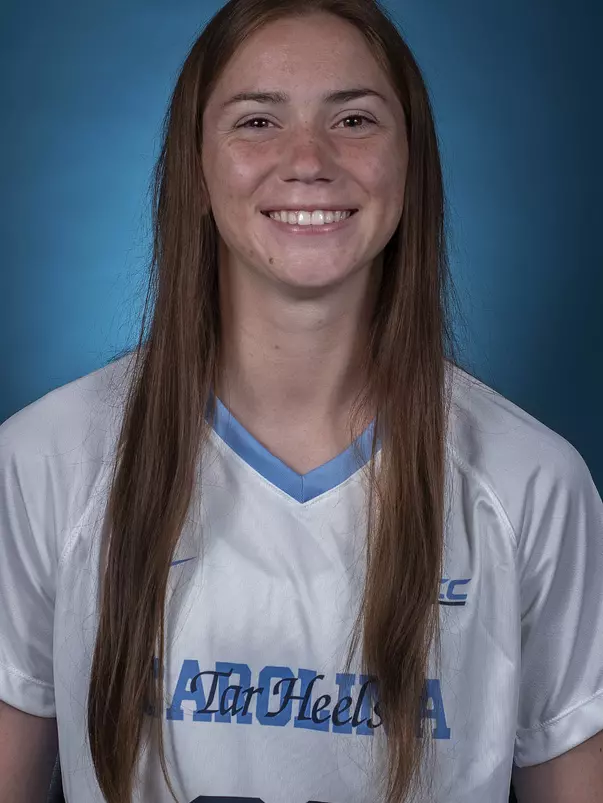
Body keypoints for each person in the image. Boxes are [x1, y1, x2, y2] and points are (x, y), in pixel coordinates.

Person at [1, 1, 602, 802]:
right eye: (257, 121)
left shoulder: (531, 483)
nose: (308, 160)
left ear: (410, 161)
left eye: (354, 118)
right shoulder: (45, 459)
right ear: (197, 163)